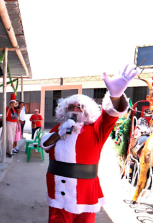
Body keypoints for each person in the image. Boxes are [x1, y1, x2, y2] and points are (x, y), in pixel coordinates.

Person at [40, 66, 136, 223]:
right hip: (59, 188)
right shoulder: (60, 127)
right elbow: (45, 144)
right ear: (65, 110)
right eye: (71, 106)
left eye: (80, 107)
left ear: (87, 112)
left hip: (85, 191)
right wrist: (60, 133)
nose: (75, 109)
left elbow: (110, 115)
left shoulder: (96, 129)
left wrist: (115, 95)